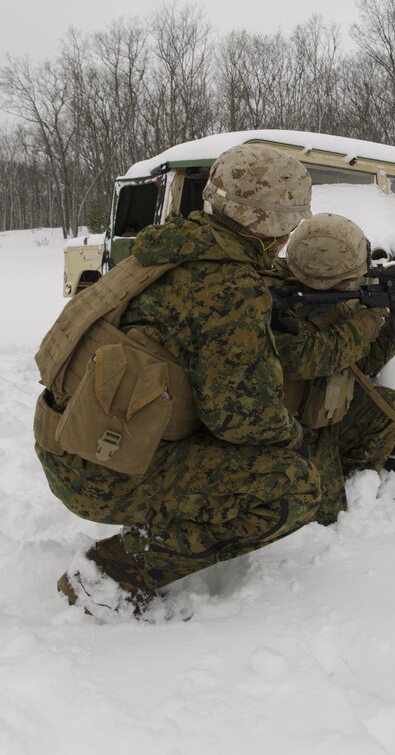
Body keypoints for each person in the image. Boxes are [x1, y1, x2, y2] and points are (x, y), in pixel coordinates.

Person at [34, 144, 355, 618]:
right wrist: (294, 440)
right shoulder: (228, 287)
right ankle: (115, 573)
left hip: (68, 442)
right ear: (278, 226)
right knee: (293, 485)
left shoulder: (168, 247)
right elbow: (242, 421)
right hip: (101, 474)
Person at [271, 213, 395, 524]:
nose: (354, 282)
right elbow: (318, 354)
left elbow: (361, 362)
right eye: (350, 278)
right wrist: (369, 320)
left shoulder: (334, 298)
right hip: (289, 433)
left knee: (386, 406)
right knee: (324, 518)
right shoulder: (271, 301)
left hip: (325, 416)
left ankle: (357, 482)